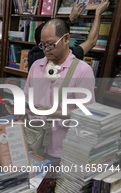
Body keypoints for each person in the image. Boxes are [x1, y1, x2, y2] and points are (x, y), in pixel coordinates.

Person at [22, 18, 96, 163]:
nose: (46, 50)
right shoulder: (37, 65)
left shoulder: (82, 70)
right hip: (32, 139)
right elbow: (26, 96)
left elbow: (86, 113)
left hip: (60, 148)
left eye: (51, 44)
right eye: (42, 45)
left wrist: (52, 112)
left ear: (66, 39)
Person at [28, 0, 110, 69]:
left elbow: (59, 30)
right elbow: (91, 41)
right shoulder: (66, 56)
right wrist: (98, 13)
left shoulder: (33, 54)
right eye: (50, 44)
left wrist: (70, 18)